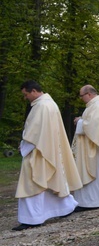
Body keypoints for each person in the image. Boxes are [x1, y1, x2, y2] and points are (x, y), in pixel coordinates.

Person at [14, 81, 83, 230]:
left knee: (33, 181)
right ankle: (65, 208)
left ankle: (32, 218)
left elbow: (35, 133)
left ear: (33, 91)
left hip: (39, 151)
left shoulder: (42, 106)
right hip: (48, 149)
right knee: (50, 181)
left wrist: (24, 145)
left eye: (26, 94)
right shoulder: (49, 104)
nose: (26, 98)